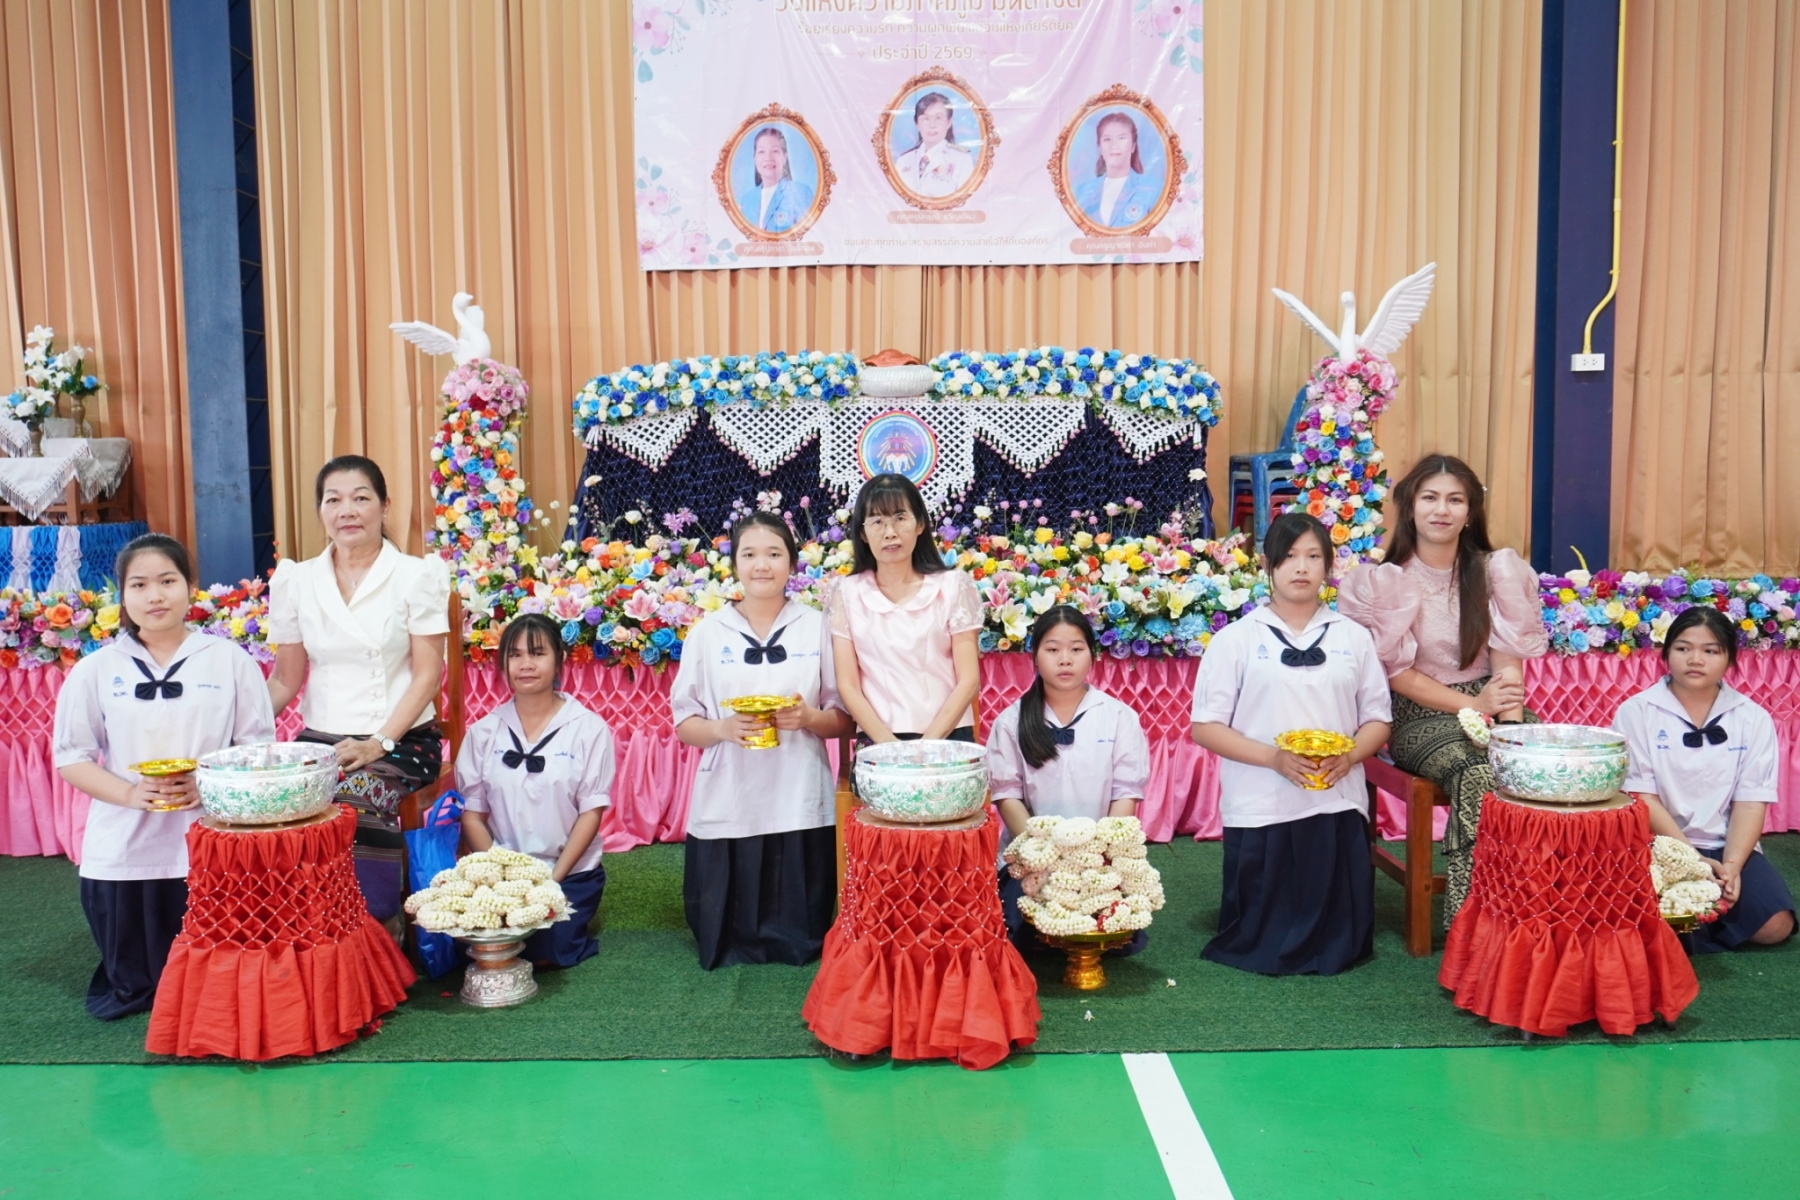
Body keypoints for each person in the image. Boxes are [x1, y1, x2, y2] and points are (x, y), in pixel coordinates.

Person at [53, 534, 276, 1018]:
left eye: (167, 581)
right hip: (123, 843)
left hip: (211, 836)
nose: (155, 596)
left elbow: (258, 749)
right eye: (139, 585)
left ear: (191, 586)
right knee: (136, 984)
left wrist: (209, 784)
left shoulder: (230, 661)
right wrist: (131, 794)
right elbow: (71, 756)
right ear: (122, 595)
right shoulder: (95, 670)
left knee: (215, 981)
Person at [1336, 454, 1547, 919]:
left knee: (1542, 766)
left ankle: (1535, 910)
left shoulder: (1495, 571)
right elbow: (1396, 675)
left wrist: (1509, 731)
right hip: (1419, 714)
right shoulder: (1385, 581)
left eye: (1455, 500)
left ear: (1470, 512)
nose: (1442, 510)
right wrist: (1474, 706)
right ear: (1410, 507)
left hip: (1494, 705)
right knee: (1478, 773)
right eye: (1430, 498)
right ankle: (1474, 922)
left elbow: (1508, 664)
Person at [1191, 513, 1392, 975]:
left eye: (1313, 556)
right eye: (1289, 556)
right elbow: (1205, 727)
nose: (1301, 567)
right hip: (1261, 800)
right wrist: (1274, 759)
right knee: (1259, 932)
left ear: (1329, 566)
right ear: (1267, 565)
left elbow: (1378, 718)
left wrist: (1350, 756)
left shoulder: (1353, 637)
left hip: (1336, 798)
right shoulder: (1235, 640)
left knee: (1341, 938)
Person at [267, 455, 450, 926]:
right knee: (272, 798)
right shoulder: (297, 580)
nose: (346, 510)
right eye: (334, 500)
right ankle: (302, 925)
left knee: (355, 796)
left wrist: (378, 743)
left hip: (402, 740)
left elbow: (428, 676)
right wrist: (232, 729)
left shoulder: (415, 575)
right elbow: (285, 679)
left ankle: (372, 929)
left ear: (385, 506)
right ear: (320, 510)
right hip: (321, 741)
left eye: (361, 498)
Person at [670, 512, 854, 969]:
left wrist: (808, 717)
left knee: (801, 923)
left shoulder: (817, 627)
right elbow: (684, 722)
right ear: (734, 563)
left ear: (792, 562)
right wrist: (722, 729)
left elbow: (844, 718)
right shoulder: (708, 633)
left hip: (798, 787)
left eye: (774, 554)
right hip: (730, 789)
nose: (762, 565)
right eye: (749, 554)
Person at [1613, 606, 1795, 952]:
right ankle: (1694, 923)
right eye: (1683, 648)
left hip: (1726, 844)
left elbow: (1750, 801)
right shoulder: (1636, 712)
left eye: (1710, 651)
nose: (1695, 659)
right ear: (1667, 653)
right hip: (1660, 843)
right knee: (1655, 922)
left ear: (1729, 659)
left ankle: (1701, 920)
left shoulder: (1752, 718)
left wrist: (1733, 866)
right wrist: (1691, 860)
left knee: (1775, 927)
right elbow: (1642, 797)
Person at [988, 605, 1151, 954]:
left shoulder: (1118, 717)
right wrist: (1043, 855)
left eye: (1076, 649)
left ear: (1092, 655)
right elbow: (1006, 795)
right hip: (1034, 858)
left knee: (1118, 939)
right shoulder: (1011, 721)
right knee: (1023, 936)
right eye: (1052, 649)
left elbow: (1126, 792)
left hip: (1098, 857)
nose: (1065, 660)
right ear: (1035, 656)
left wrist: (1097, 855)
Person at [456, 614, 613, 969]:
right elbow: (473, 815)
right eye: (515, 655)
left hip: (568, 872)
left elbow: (591, 812)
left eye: (537, 653)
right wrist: (501, 876)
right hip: (503, 875)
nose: (525, 664)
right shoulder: (484, 732)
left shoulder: (588, 729)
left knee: (549, 949)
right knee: (469, 946)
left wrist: (550, 882)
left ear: (559, 659)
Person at [825, 473, 983, 746]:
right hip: (879, 742)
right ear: (862, 533)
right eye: (877, 521)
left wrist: (925, 746)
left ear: (920, 524)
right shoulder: (845, 593)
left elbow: (969, 680)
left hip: (948, 738)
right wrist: (890, 748)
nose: (890, 532)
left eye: (900, 518)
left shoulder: (953, 586)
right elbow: (847, 686)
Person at [1072, 111, 1163, 229]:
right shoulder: (1083, 191)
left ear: (1133, 146)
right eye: (1107, 139)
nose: (1114, 145)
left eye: (1122, 138)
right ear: (1100, 147)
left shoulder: (1154, 187)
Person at [891, 91, 975, 199]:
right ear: (917, 123)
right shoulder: (903, 160)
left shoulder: (962, 159)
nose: (932, 125)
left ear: (949, 122)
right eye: (926, 118)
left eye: (938, 118)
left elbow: (967, 203)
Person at [733, 126, 815, 235]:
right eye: (761, 151)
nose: (768, 157)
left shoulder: (800, 192)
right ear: (754, 158)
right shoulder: (747, 200)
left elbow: (809, 236)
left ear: (784, 157)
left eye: (775, 151)